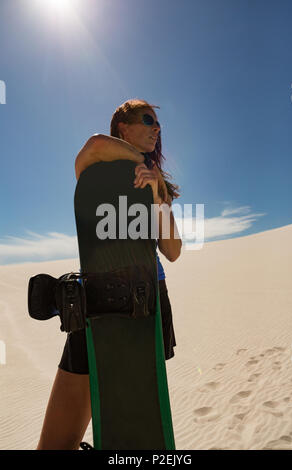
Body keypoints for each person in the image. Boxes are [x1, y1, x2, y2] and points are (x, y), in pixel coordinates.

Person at [36, 99, 182, 450]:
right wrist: (141, 162)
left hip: (147, 303)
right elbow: (95, 145)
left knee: (133, 428)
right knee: (56, 443)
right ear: (124, 127)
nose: (157, 128)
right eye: (148, 120)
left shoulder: (155, 184)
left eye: (158, 124)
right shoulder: (96, 164)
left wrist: (157, 191)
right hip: (95, 303)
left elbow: (173, 251)